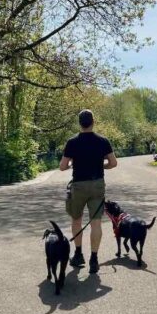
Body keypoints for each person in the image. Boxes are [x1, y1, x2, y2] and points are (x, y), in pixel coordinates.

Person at [59, 109, 118, 274]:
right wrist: (102, 165)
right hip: (97, 185)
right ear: (94, 121)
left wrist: (72, 164)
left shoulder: (72, 142)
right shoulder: (103, 141)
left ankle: (78, 255)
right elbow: (113, 163)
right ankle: (94, 258)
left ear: (79, 123)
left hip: (78, 185)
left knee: (76, 220)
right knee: (96, 222)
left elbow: (63, 166)